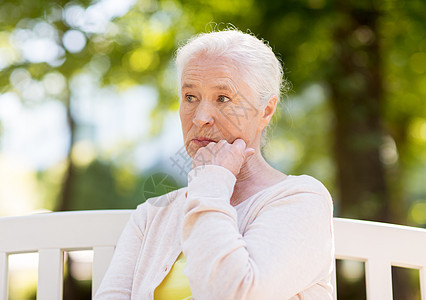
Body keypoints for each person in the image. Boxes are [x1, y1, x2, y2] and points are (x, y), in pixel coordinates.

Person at [95, 28, 334, 299]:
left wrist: (211, 180)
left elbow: (235, 293)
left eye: (222, 98)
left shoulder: (302, 200)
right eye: (190, 97)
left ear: (265, 110)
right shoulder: (151, 215)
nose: (200, 118)